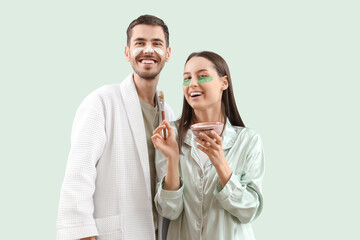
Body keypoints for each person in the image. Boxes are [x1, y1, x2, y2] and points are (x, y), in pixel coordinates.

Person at [56, 15, 174, 240]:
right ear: (127, 52)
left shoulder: (169, 113)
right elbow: (77, 177)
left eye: (157, 43)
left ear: (167, 53)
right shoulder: (101, 102)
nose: (148, 50)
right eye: (139, 43)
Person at [152, 51, 265, 240]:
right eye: (186, 78)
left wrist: (220, 162)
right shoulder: (170, 135)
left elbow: (249, 210)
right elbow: (168, 210)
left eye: (202, 76)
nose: (192, 84)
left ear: (224, 83)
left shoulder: (248, 140)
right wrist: (172, 158)